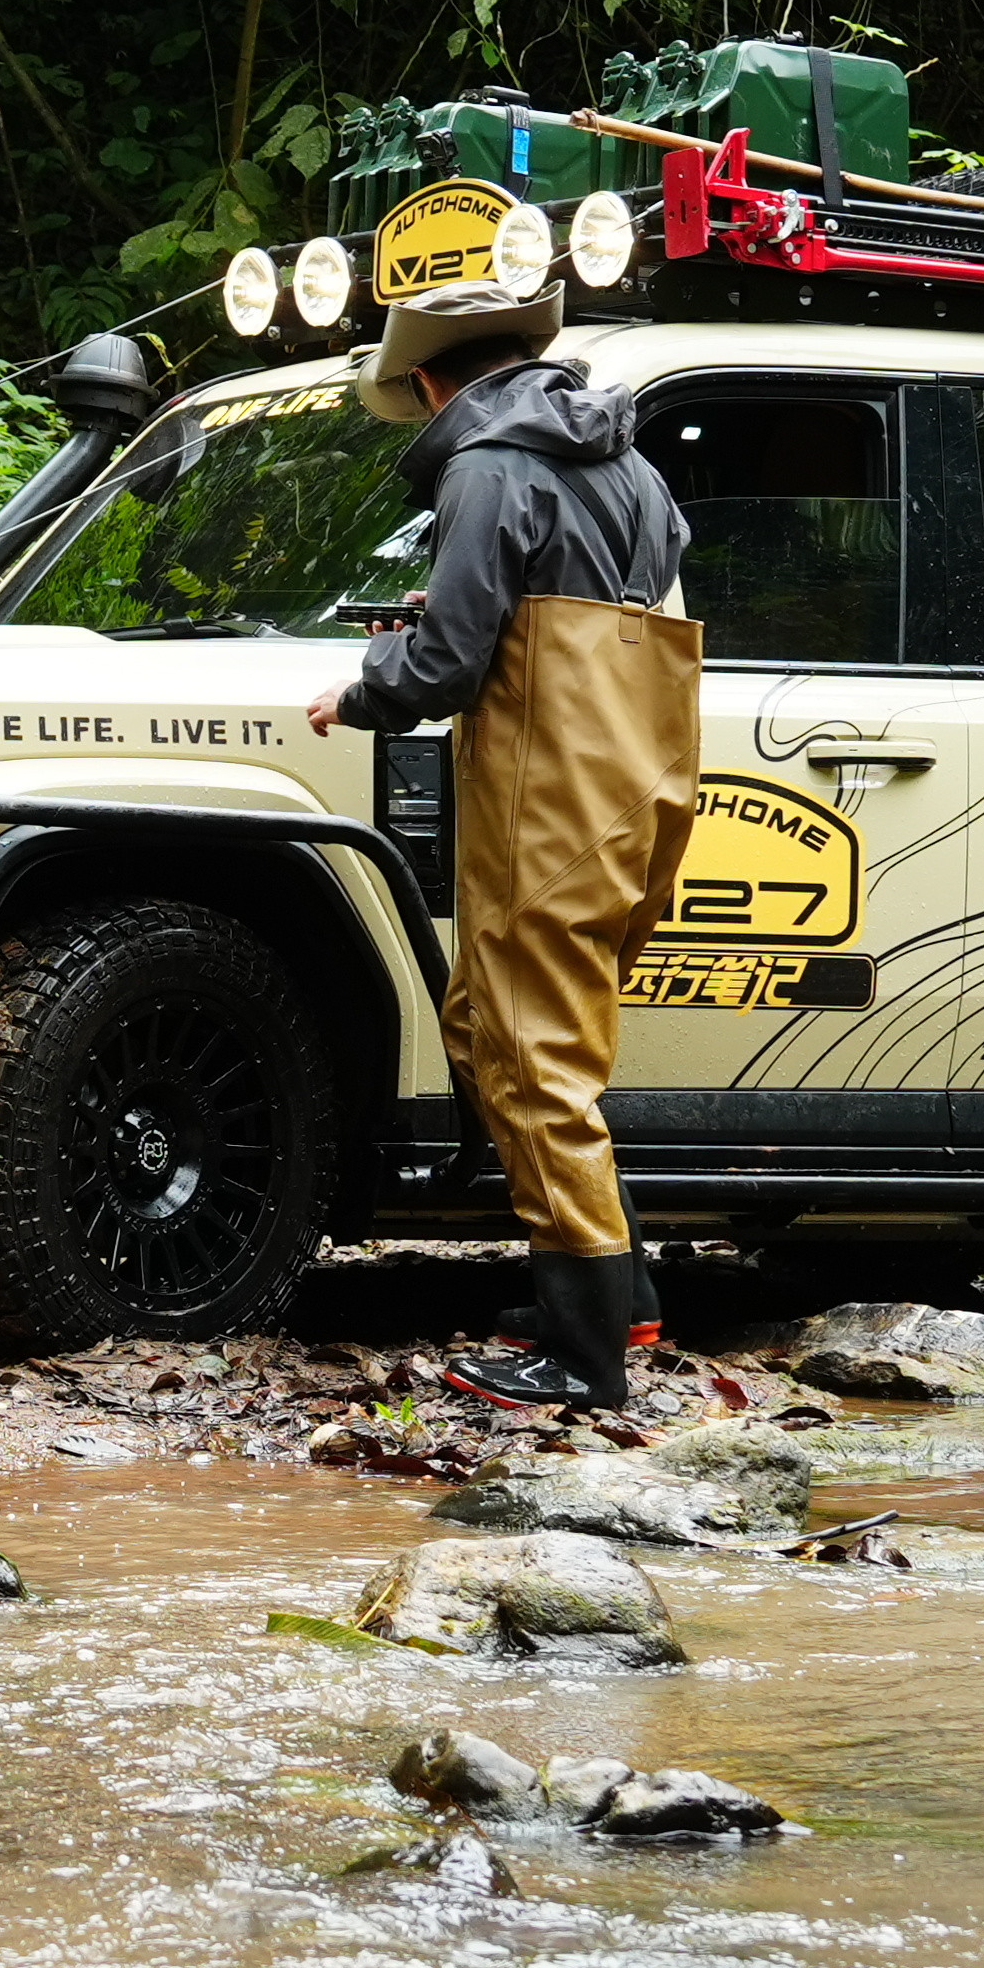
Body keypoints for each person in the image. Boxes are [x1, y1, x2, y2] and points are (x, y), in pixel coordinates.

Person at [305, 281, 699, 1407]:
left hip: (548, 797)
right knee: (492, 1022)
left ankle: (584, 1360)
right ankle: (616, 1297)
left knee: (533, 1060)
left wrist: (362, 685)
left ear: (434, 379)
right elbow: (613, 600)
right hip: (638, 786)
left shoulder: (486, 467)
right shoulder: (634, 466)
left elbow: (445, 669)